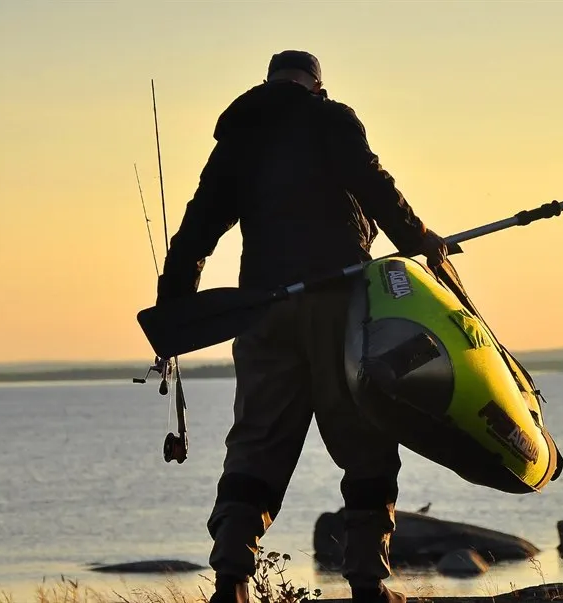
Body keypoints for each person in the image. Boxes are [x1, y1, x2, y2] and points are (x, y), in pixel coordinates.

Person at [155, 50, 448, 603]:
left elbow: (197, 230)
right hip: (339, 305)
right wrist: (419, 241)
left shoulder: (239, 135)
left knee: (258, 444)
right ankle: (367, 582)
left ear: (268, 82)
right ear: (317, 84)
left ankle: (232, 582)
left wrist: (174, 308)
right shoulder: (331, 118)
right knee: (365, 439)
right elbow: (375, 184)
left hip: (263, 310)